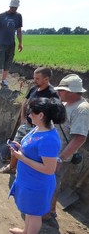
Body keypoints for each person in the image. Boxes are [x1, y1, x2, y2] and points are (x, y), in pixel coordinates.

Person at [8, 97, 66, 234]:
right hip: (28, 180)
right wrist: (21, 148)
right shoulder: (39, 129)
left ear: (41, 115)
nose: (28, 115)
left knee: (34, 215)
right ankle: (25, 231)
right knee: (29, 211)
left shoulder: (49, 140)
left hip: (37, 185)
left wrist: (21, 157)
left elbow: (49, 169)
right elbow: (33, 151)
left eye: (31, 113)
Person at [0, 67, 59, 174]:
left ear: (46, 79)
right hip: (26, 125)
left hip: (39, 130)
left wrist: (40, 126)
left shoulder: (52, 94)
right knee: (15, 147)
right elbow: (25, 103)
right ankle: (12, 167)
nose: (34, 80)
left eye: (37, 78)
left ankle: (21, 170)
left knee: (28, 152)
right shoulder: (34, 89)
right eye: (34, 77)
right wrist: (23, 118)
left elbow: (52, 114)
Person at [47, 74, 89, 219]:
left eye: (61, 90)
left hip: (60, 155)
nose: (58, 93)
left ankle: (47, 212)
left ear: (71, 91)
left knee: (52, 182)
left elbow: (79, 138)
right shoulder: (66, 104)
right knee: (48, 180)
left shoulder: (81, 109)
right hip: (52, 152)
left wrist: (60, 158)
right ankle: (49, 209)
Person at [0, 0, 23, 87]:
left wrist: (20, 43)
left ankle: (3, 80)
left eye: (15, 8)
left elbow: (19, 31)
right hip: (0, 42)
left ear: (17, 7)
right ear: (9, 6)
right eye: (12, 7)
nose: (13, 9)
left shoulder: (18, 16)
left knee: (8, 62)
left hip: (11, 43)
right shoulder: (2, 16)